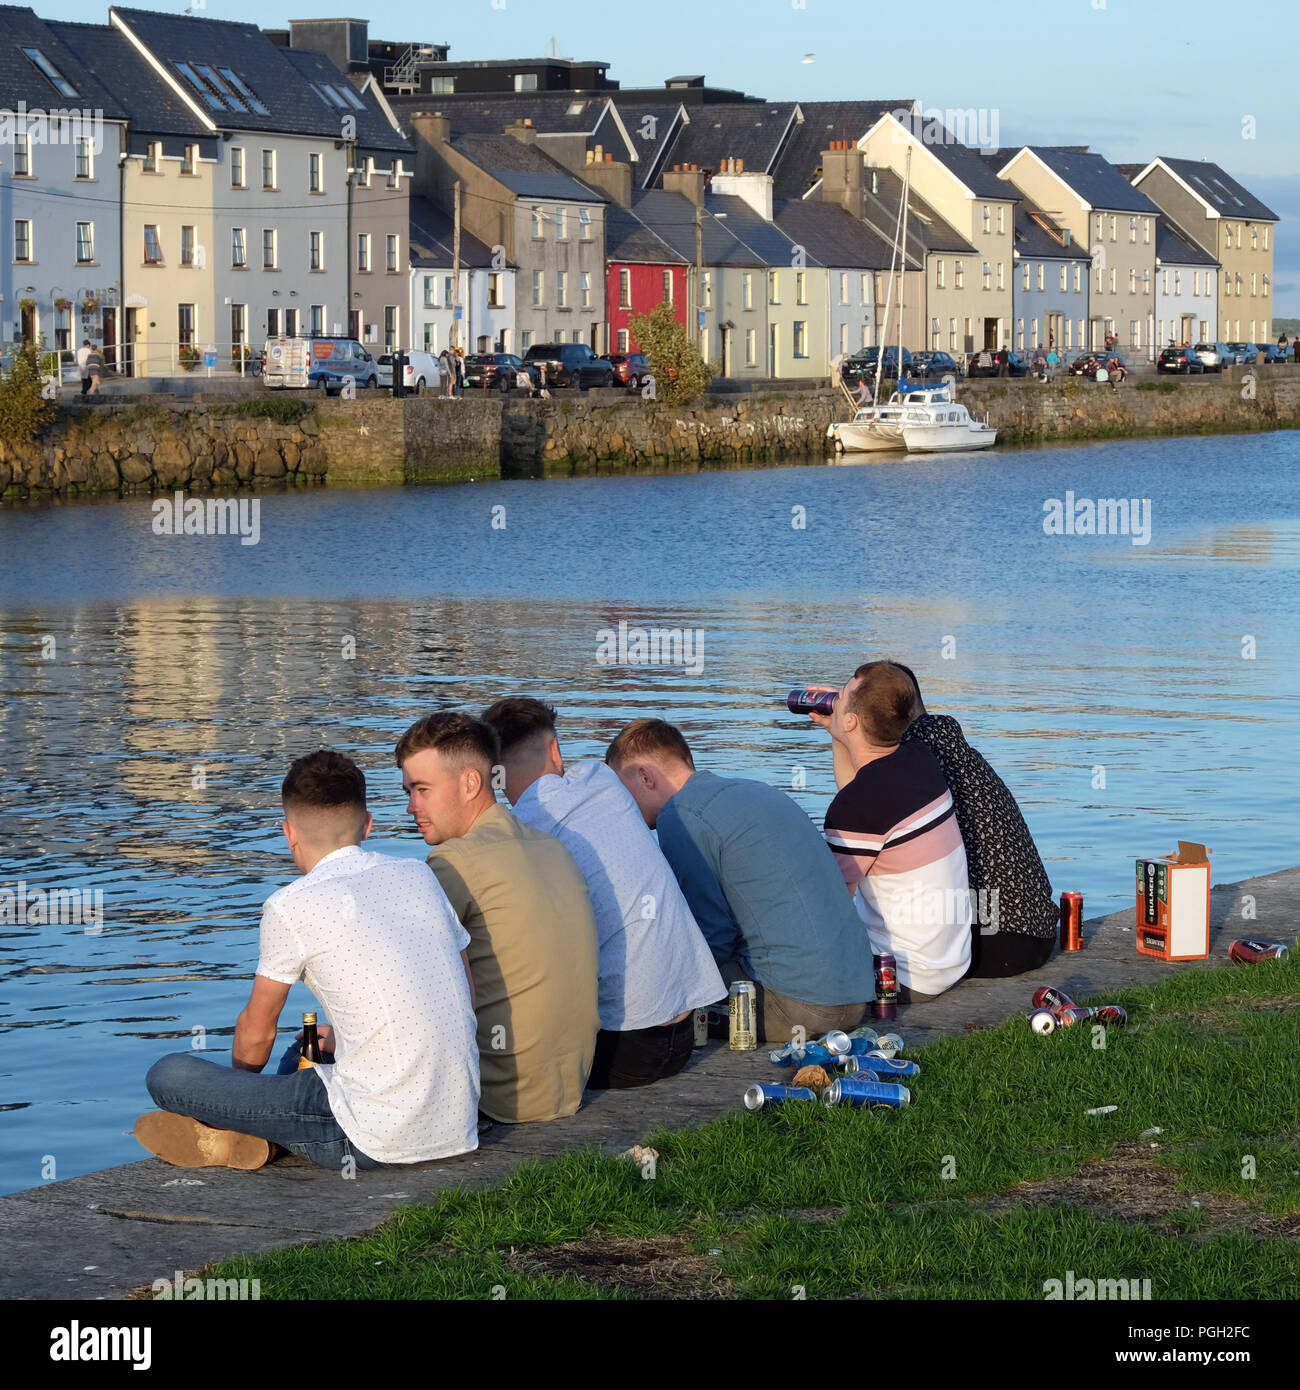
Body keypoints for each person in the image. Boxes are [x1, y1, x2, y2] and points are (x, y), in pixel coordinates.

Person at [135, 751, 480, 1171]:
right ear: (367, 825)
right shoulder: (418, 875)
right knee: (307, 1044)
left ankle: (240, 1133)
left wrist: (238, 1098)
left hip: (369, 1138)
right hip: (457, 1122)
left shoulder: (291, 905)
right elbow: (465, 992)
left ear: (288, 833)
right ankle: (267, 1135)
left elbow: (256, 1032)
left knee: (167, 1074)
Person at [481, 698, 724, 1090]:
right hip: (682, 1034)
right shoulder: (603, 778)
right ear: (555, 749)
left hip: (624, 1049)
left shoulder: (520, 834)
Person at [606, 719, 873, 1044]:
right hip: (857, 996)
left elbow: (710, 941)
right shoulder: (755, 790)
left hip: (798, 1009)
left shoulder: (679, 816)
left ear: (645, 777)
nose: (622, 808)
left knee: (641, 994)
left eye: (622, 791)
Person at [396, 712, 600, 1123]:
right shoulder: (552, 846)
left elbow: (412, 990)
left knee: (315, 1058)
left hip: (502, 1097)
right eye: (409, 791)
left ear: (471, 782)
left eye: (422, 790)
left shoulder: (454, 861)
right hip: (569, 1086)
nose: (410, 807)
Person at [875, 663, 1056, 978]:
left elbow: (863, 835)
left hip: (997, 944)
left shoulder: (915, 760)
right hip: (1035, 934)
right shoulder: (953, 748)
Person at [808, 664, 972, 1003]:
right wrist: (839, 736)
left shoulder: (859, 808)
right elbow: (859, 798)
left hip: (900, 975)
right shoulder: (919, 760)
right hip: (950, 962)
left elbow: (829, 904)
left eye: (840, 696)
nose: (833, 701)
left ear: (852, 720)